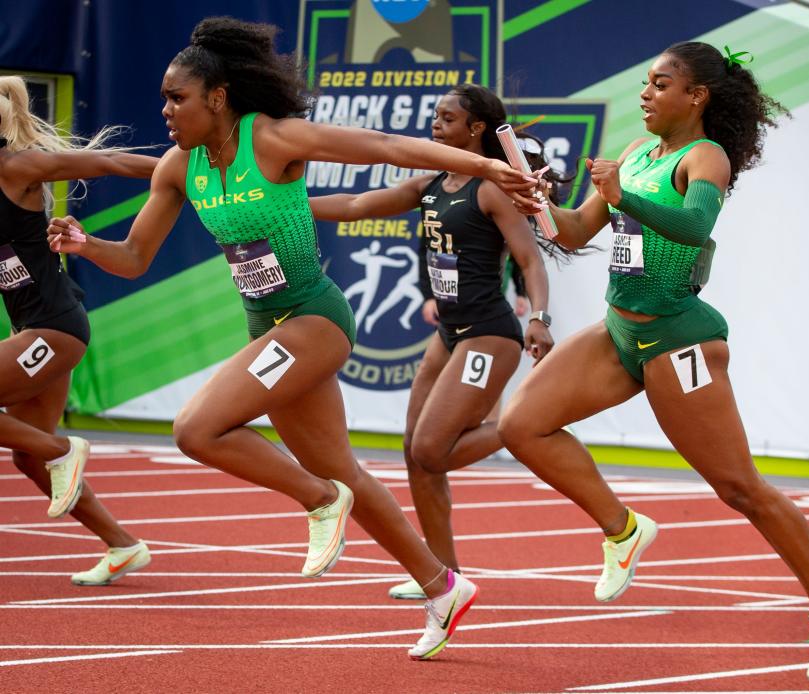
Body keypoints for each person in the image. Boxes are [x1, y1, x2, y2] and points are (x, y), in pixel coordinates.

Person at [47, 17, 533, 660]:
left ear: (217, 97)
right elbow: (135, 257)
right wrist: (88, 245)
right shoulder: (178, 167)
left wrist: (484, 166)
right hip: (268, 323)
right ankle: (442, 586)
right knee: (343, 469)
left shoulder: (273, 139)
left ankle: (317, 499)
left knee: (197, 429)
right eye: (164, 98)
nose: (164, 109)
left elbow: (384, 146)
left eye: (176, 98)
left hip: (314, 318)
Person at [499, 42, 809, 684]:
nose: (645, 94)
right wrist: (540, 205)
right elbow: (576, 233)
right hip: (618, 330)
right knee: (520, 425)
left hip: (679, 341)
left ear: (696, 97)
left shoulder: (705, 158)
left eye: (660, 84)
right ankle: (623, 528)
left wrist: (622, 197)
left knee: (739, 487)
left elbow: (693, 228)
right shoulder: (637, 155)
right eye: (644, 83)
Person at [309, 84, 554, 600]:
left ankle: (529, 425)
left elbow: (529, 260)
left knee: (431, 449)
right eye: (435, 117)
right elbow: (356, 203)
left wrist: (540, 317)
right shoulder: (431, 184)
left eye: (447, 118)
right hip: (449, 332)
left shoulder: (491, 190)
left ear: (476, 129)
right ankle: (442, 572)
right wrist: (291, 205)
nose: (436, 125)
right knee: (414, 455)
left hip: (489, 334)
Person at [0, 75, 157, 585]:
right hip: (36, 330)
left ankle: (65, 451)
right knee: (29, 453)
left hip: (54, 329)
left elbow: (107, 162)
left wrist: (188, 171)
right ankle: (123, 545)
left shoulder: (19, 168)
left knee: (47, 450)